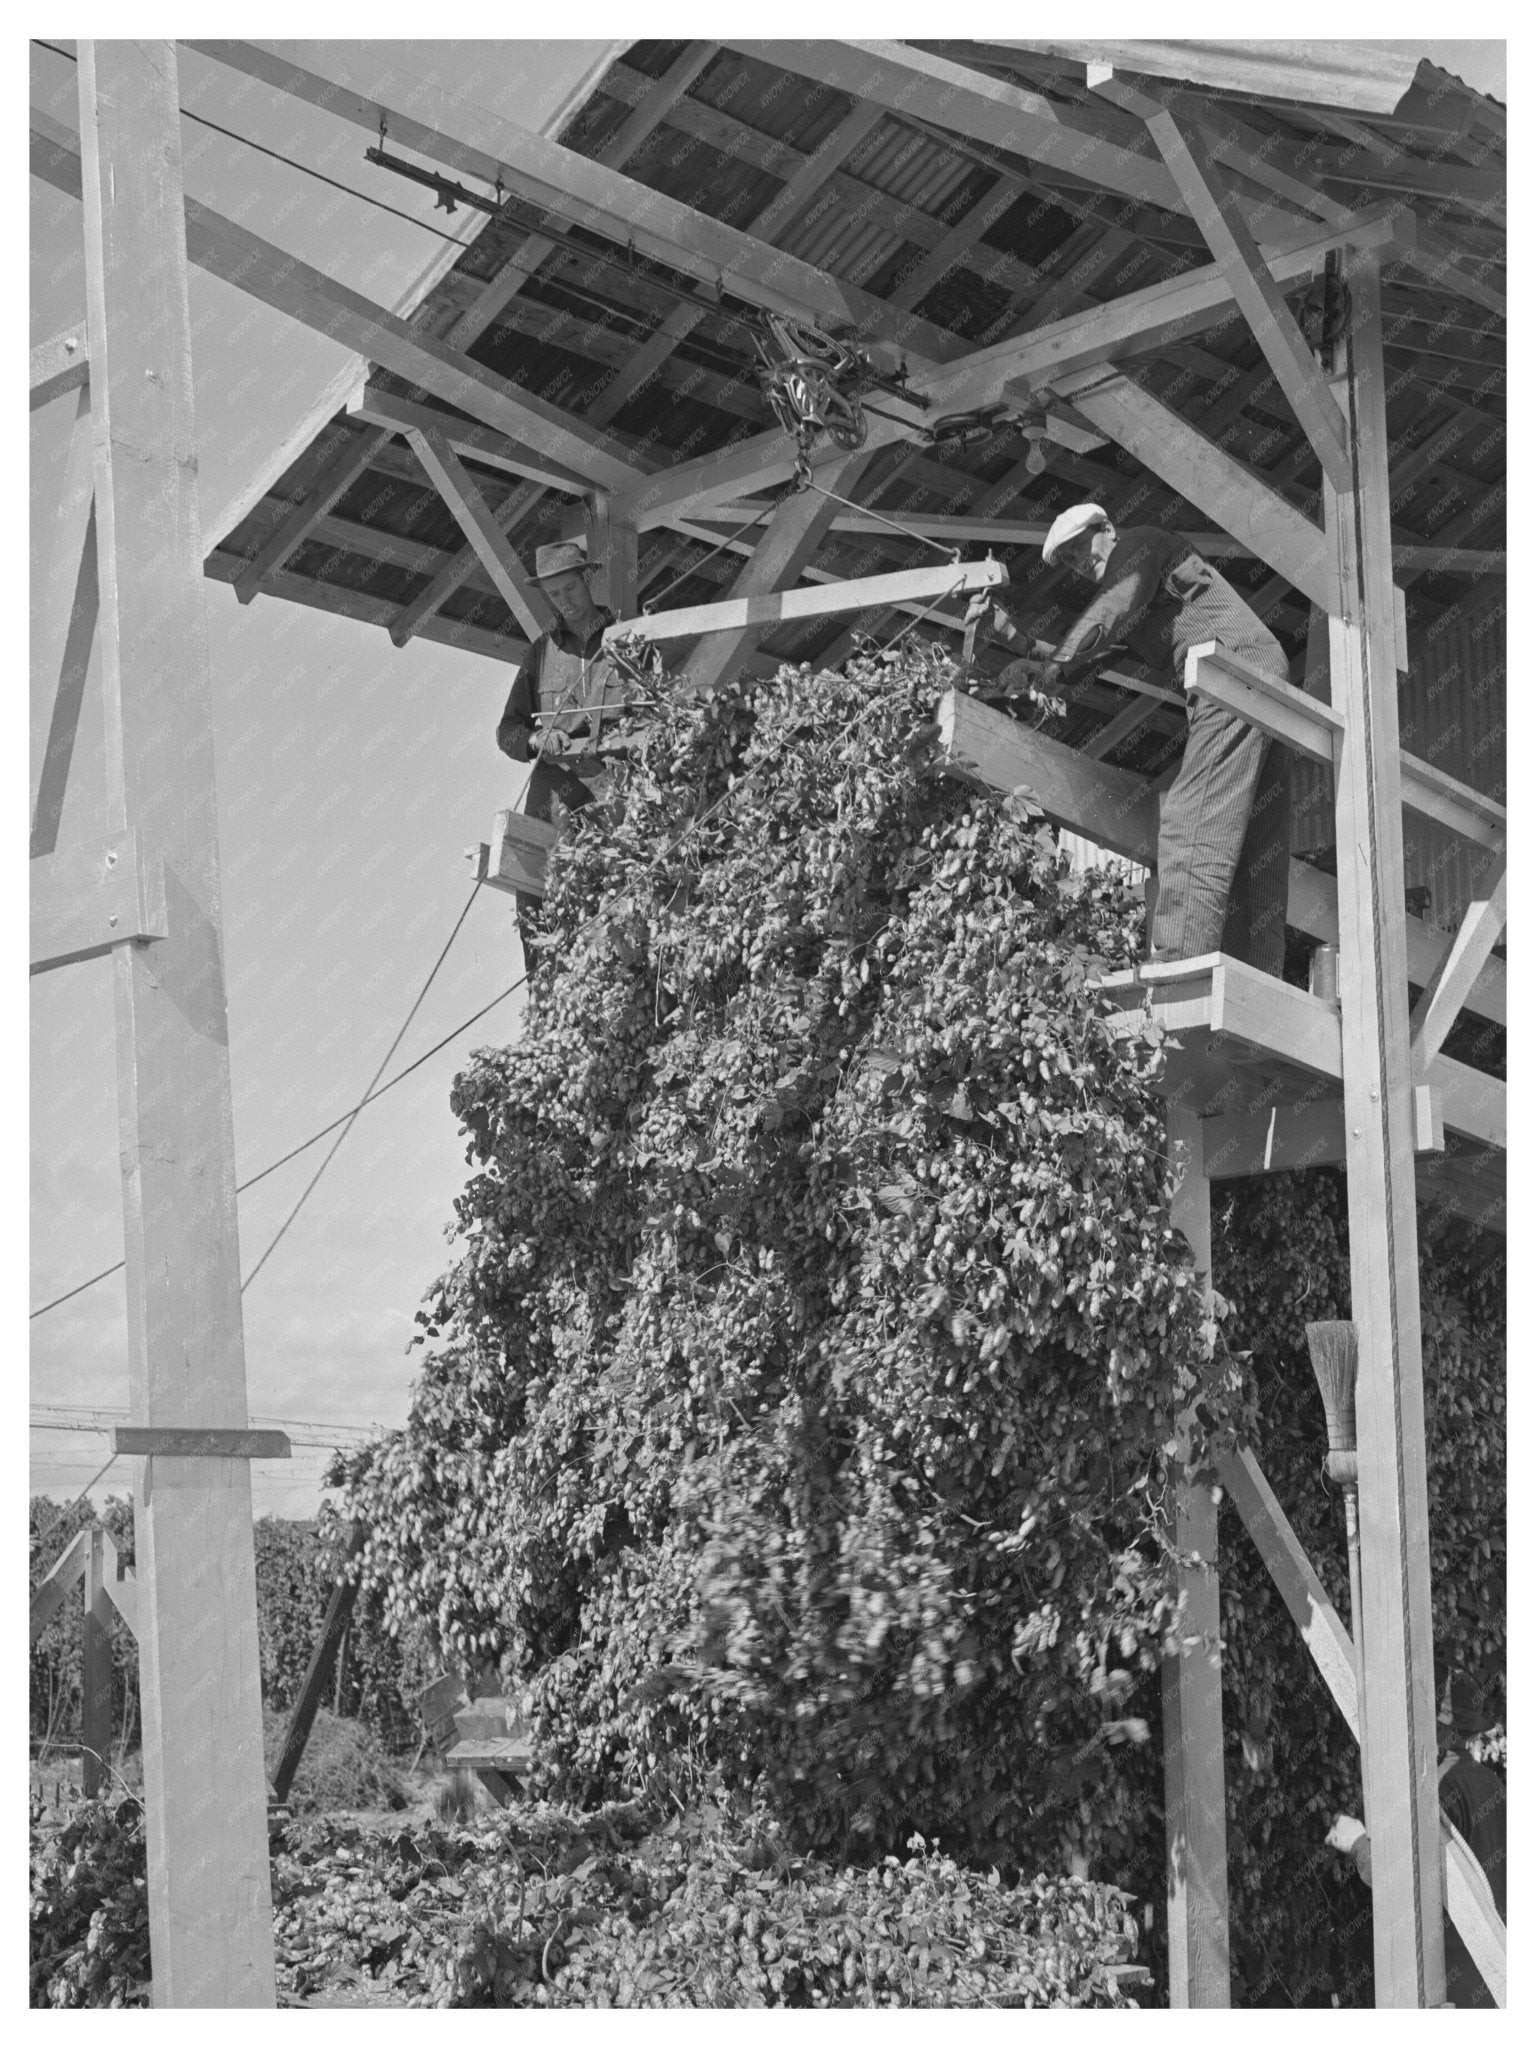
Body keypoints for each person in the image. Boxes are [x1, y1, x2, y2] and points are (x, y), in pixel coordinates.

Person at [969, 503, 1292, 979]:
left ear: (1108, 528)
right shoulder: (1135, 600)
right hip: (1260, 675)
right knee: (1253, 838)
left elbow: (1108, 612)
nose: (1081, 562)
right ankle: (1259, 977)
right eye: (1072, 561)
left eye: (1082, 548)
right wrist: (1008, 637)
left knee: (1189, 815)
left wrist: (1050, 667)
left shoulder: (1141, 542)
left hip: (1234, 672)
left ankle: (1182, 959)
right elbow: (1083, 654)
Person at [1327, 1665, 1506, 2008]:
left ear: (1435, 1727)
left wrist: (1357, 1843)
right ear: (1472, 1733)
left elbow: (1399, 1882)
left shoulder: (1437, 1790)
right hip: (1495, 1973)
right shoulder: (1494, 1785)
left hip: (1448, 1980)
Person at [494, 539, 624, 824]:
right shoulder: (540, 653)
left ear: (587, 578)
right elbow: (507, 730)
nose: (565, 601)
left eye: (571, 588)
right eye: (554, 594)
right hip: (552, 802)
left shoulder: (625, 641)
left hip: (615, 797)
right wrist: (535, 738)